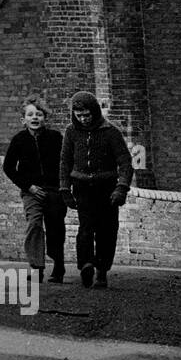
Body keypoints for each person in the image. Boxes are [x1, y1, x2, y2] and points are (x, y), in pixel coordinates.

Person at [58, 90, 133, 288]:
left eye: (87, 115)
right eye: (78, 115)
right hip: (82, 187)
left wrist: (121, 188)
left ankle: (102, 270)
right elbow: (65, 162)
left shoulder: (111, 132)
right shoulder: (71, 132)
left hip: (106, 188)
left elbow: (125, 162)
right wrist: (65, 189)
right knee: (85, 229)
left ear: (95, 112)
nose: (83, 119)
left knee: (107, 230)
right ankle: (86, 265)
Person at [2, 95, 67, 283]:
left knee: (56, 229)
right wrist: (28, 186)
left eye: (39, 114)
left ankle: (58, 264)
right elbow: (8, 168)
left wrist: (63, 187)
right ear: (24, 120)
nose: (35, 118)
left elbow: (65, 163)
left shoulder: (55, 138)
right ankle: (37, 266)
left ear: (45, 118)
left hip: (54, 191)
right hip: (31, 192)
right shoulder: (19, 140)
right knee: (34, 224)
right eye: (30, 115)